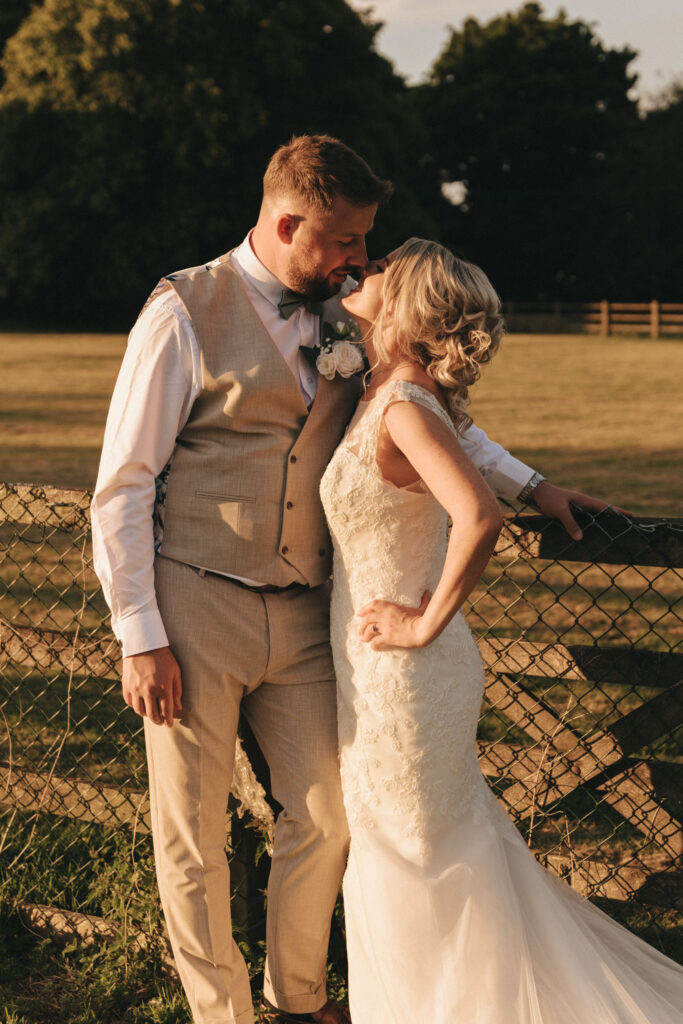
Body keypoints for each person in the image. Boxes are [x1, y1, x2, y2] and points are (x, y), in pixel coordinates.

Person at [91, 134, 617, 1024]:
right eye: (344, 242)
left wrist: (533, 486)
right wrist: (140, 635)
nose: (360, 261)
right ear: (289, 221)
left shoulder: (349, 320)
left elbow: (426, 418)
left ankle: (296, 1003)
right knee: (193, 837)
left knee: (327, 820)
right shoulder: (182, 311)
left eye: (364, 245)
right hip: (194, 606)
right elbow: (124, 483)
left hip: (308, 615)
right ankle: (222, 1016)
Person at [320, 237, 683, 1024]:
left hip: (406, 670)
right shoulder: (390, 388)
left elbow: (476, 519)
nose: (362, 270)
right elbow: (471, 459)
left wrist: (420, 629)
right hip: (371, 668)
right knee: (406, 849)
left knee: (417, 856)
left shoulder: (406, 405)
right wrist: (540, 485)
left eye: (378, 266)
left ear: (404, 301)